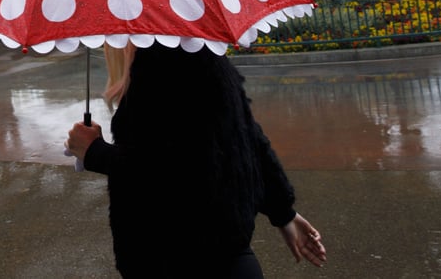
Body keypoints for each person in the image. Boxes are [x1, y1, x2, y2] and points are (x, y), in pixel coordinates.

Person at [66, 43, 327, 278]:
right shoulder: (199, 53)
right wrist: (284, 214)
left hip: (180, 261)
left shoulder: (161, 64)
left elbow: (168, 172)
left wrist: (94, 152)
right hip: (224, 256)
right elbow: (246, 138)